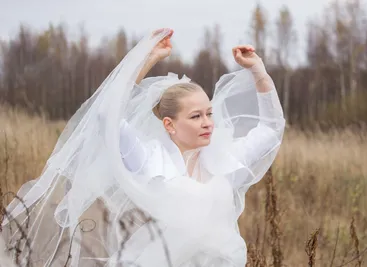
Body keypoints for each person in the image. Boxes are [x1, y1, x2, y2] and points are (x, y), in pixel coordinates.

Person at [2, 28, 285, 267]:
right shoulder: (151, 161)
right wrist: (145, 61)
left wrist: (257, 71)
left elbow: (271, 128)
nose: (207, 123)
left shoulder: (225, 160)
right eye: (196, 116)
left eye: (209, 113)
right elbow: (106, 117)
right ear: (169, 125)